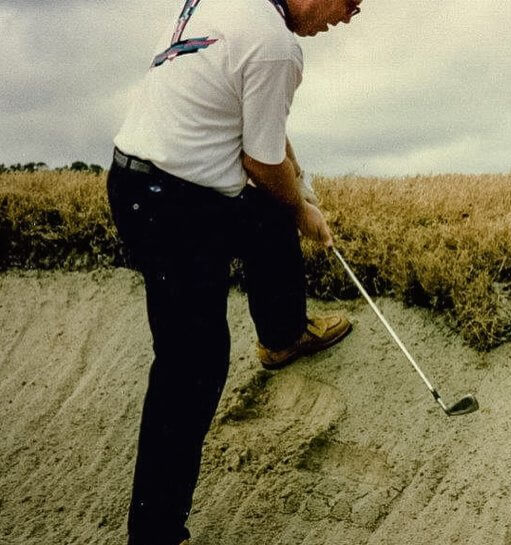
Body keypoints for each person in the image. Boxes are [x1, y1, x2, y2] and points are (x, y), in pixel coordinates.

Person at [107, 0, 362, 543]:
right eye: (350, 0)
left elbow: (262, 135)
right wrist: (303, 211)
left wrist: (292, 199)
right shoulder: (275, 45)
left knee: (267, 210)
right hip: (168, 205)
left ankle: (282, 336)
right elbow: (263, 165)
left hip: (141, 181)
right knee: (191, 366)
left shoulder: (235, 7)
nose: (352, 13)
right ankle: (155, 533)